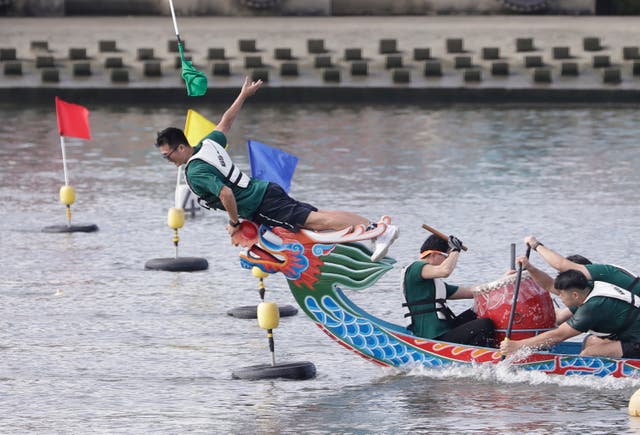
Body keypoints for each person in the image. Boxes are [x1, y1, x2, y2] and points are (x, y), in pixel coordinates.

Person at [155, 77, 398, 262]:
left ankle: (377, 231)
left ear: (180, 148)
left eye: (168, 156)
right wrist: (243, 96)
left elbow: (226, 194)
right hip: (266, 190)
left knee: (316, 221)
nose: (168, 161)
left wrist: (234, 222)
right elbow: (226, 122)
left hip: (261, 203)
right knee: (317, 216)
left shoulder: (195, 172)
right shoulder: (207, 144)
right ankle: (374, 227)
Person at [500, 269, 640, 358]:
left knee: (588, 354)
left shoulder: (592, 308)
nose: (559, 297)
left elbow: (559, 335)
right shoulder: (589, 290)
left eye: (561, 295)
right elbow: (549, 286)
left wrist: (518, 345)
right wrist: (529, 269)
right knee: (590, 341)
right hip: (632, 335)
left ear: (574, 295)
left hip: (637, 341)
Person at [402, 234, 496, 348]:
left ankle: (493, 347)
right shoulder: (414, 268)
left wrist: (503, 281)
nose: (447, 261)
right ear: (433, 254)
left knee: (478, 309)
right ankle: (486, 352)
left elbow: (471, 292)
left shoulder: (435, 285)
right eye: (446, 257)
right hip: (431, 338)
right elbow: (445, 271)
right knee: (485, 324)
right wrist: (455, 250)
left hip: (444, 332)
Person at [524, 235, 639, 295]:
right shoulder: (584, 292)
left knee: (593, 341)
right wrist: (529, 268)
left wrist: (535, 244)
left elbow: (561, 264)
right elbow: (550, 285)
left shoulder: (604, 272)